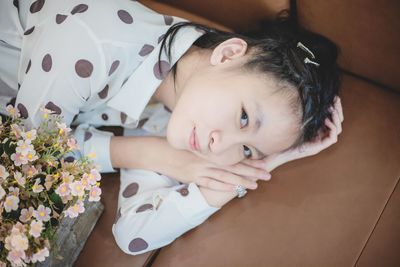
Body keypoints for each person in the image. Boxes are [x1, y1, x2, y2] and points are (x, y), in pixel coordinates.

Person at [0, 0, 343, 255]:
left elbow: (132, 233)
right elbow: (27, 155)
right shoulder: (90, 45)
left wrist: (261, 167)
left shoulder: (181, 106)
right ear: (228, 54)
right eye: (243, 118)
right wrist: (146, 153)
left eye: (247, 149)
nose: (218, 147)